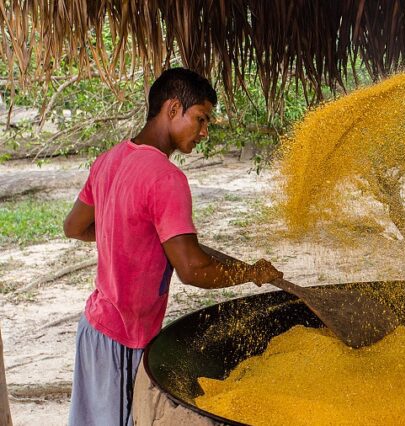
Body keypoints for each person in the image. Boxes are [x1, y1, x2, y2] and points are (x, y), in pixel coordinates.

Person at [63, 68, 283, 425]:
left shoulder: (108, 160)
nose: (204, 131)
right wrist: (252, 273)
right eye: (200, 118)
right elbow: (193, 270)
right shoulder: (166, 178)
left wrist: (127, 235)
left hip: (94, 328)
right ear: (172, 108)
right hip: (124, 341)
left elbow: (74, 226)